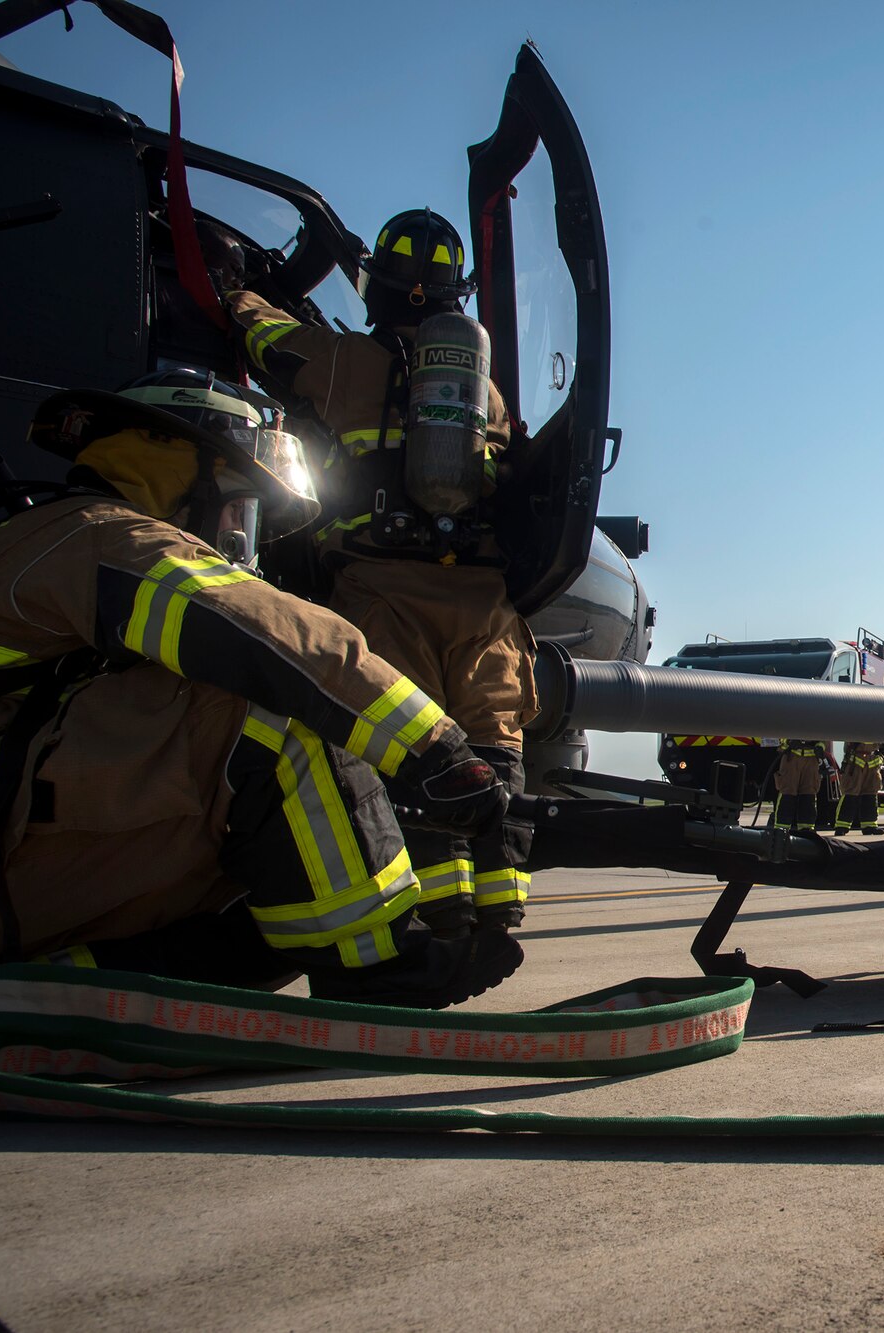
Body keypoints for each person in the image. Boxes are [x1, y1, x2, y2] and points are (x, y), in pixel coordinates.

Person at [0, 371, 515, 1007]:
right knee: (277, 707)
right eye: (237, 506)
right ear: (173, 467)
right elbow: (265, 634)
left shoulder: (46, 540)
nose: (236, 535)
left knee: (280, 890)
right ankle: (378, 970)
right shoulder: (104, 536)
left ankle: (65, 992)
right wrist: (435, 751)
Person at [223, 208, 537, 950]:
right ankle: (501, 908)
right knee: (495, 742)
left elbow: (259, 334)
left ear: (377, 291)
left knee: (419, 743)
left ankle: (438, 919)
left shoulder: (339, 360)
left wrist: (236, 285)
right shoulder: (483, 395)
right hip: (483, 599)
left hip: (384, 585)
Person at [770, 738, 832, 832]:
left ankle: (806, 828)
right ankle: (781, 828)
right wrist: (788, 741)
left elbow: (823, 737)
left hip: (811, 759)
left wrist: (820, 746)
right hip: (791, 756)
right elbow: (780, 734)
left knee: (809, 794)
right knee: (787, 793)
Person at [835, 741, 884, 835]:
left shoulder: (879, 726)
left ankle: (870, 826)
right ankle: (842, 826)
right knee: (850, 794)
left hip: (872, 763)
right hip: (855, 762)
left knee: (870, 795)